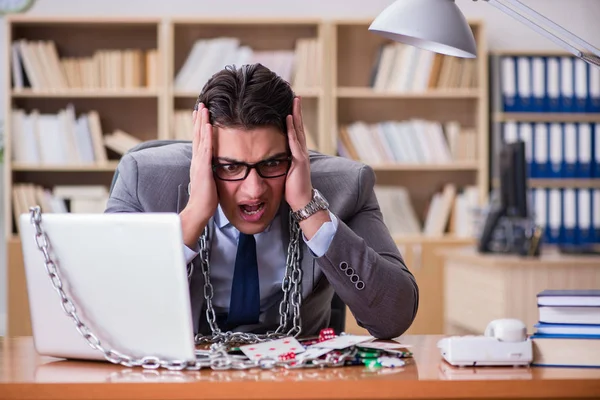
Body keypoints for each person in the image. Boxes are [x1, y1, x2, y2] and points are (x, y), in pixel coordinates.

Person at [106, 63, 418, 339]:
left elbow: (393, 317)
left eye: (271, 164)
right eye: (230, 166)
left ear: (295, 149)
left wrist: (310, 210)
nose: (254, 190)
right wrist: (192, 217)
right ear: (204, 154)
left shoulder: (347, 186)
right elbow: (102, 309)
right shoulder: (143, 179)